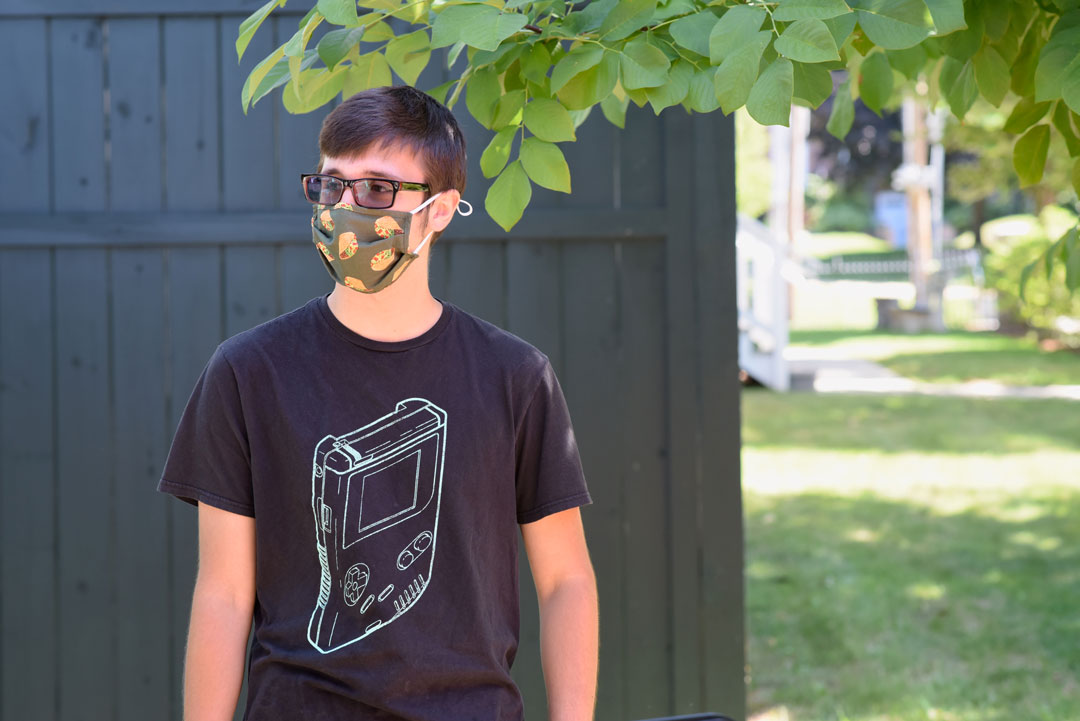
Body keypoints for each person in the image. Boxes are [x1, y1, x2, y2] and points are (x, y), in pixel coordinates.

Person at [158, 85, 599, 721]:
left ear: (441, 210)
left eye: (377, 189)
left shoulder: (515, 376)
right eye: (332, 184)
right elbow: (223, 593)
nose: (345, 206)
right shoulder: (248, 371)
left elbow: (566, 582)